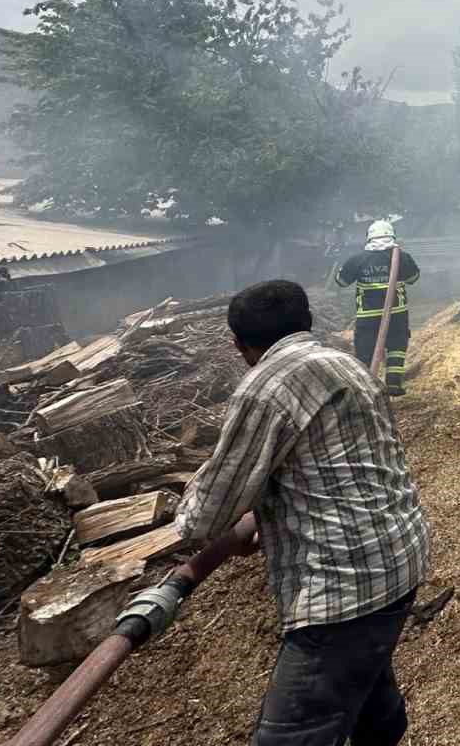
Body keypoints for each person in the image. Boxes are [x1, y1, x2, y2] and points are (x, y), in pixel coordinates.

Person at [127, 280, 431, 746]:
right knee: (367, 687)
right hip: (400, 555)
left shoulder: (265, 388)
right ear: (307, 322)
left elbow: (206, 516)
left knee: (292, 733)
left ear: (238, 344)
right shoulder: (346, 365)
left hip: (343, 585)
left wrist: (195, 514)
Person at [335, 219, 421, 395]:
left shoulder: (357, 259)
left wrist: (341, 271)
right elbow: (413, 278)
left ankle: (366, 388)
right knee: (396, 346)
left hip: (368, 314)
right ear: (392, 236)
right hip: (396, 313)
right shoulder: (401, 256)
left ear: (369, 238)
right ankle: (393, 385)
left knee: (365, 350)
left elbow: (341, 282)